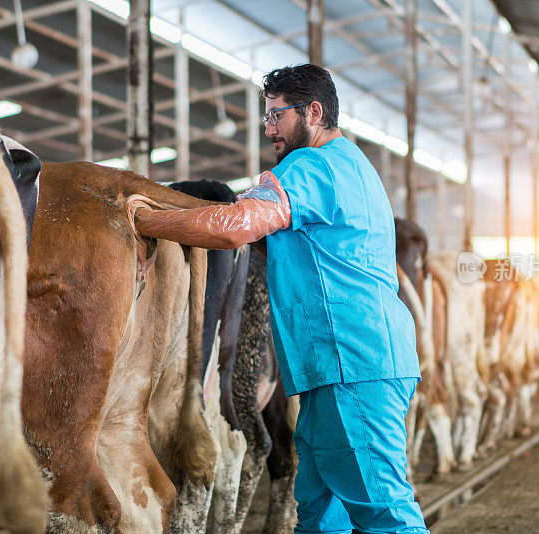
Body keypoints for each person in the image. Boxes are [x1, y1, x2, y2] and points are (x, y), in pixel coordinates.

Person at [135, 64, 428, 534]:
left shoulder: (314, 166)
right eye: (265, 116)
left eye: (277, 115)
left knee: (384, 513)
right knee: (317, 511)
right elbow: (274, 241)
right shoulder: (353, 167)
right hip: (339, 367)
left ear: (313, 112)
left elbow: (236, 226)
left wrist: (142, 218)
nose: (268, 128)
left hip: (350, 365)